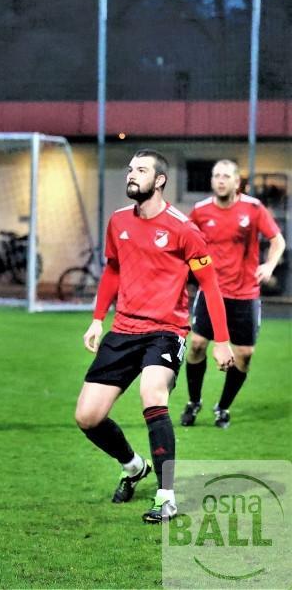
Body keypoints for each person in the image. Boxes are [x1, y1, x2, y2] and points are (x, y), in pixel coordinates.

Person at [74, 149, 235, 523]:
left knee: (152, 393)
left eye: (141, 170)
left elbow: (210, 285)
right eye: (130, 169)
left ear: (159, 180)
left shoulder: (183, 229)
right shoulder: (118, 222)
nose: (131, 175)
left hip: (166, 331)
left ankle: (166, 496)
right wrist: (98, 320)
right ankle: (133, 467)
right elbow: (113, 270)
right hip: (124, 329)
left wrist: (222, 340)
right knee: (87, 417)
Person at [180, 160, 285, 428]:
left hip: (245, 293)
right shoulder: (201, 211)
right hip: (210, 290)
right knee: (196, 345)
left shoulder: (253, 208)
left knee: (245, 355)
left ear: (237, 182)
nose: (221, 180)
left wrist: (269, 265)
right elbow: (185, 242)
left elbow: (277, 240)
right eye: (216, 175)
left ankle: (222, 407)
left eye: (226, 176)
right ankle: (194, 402)